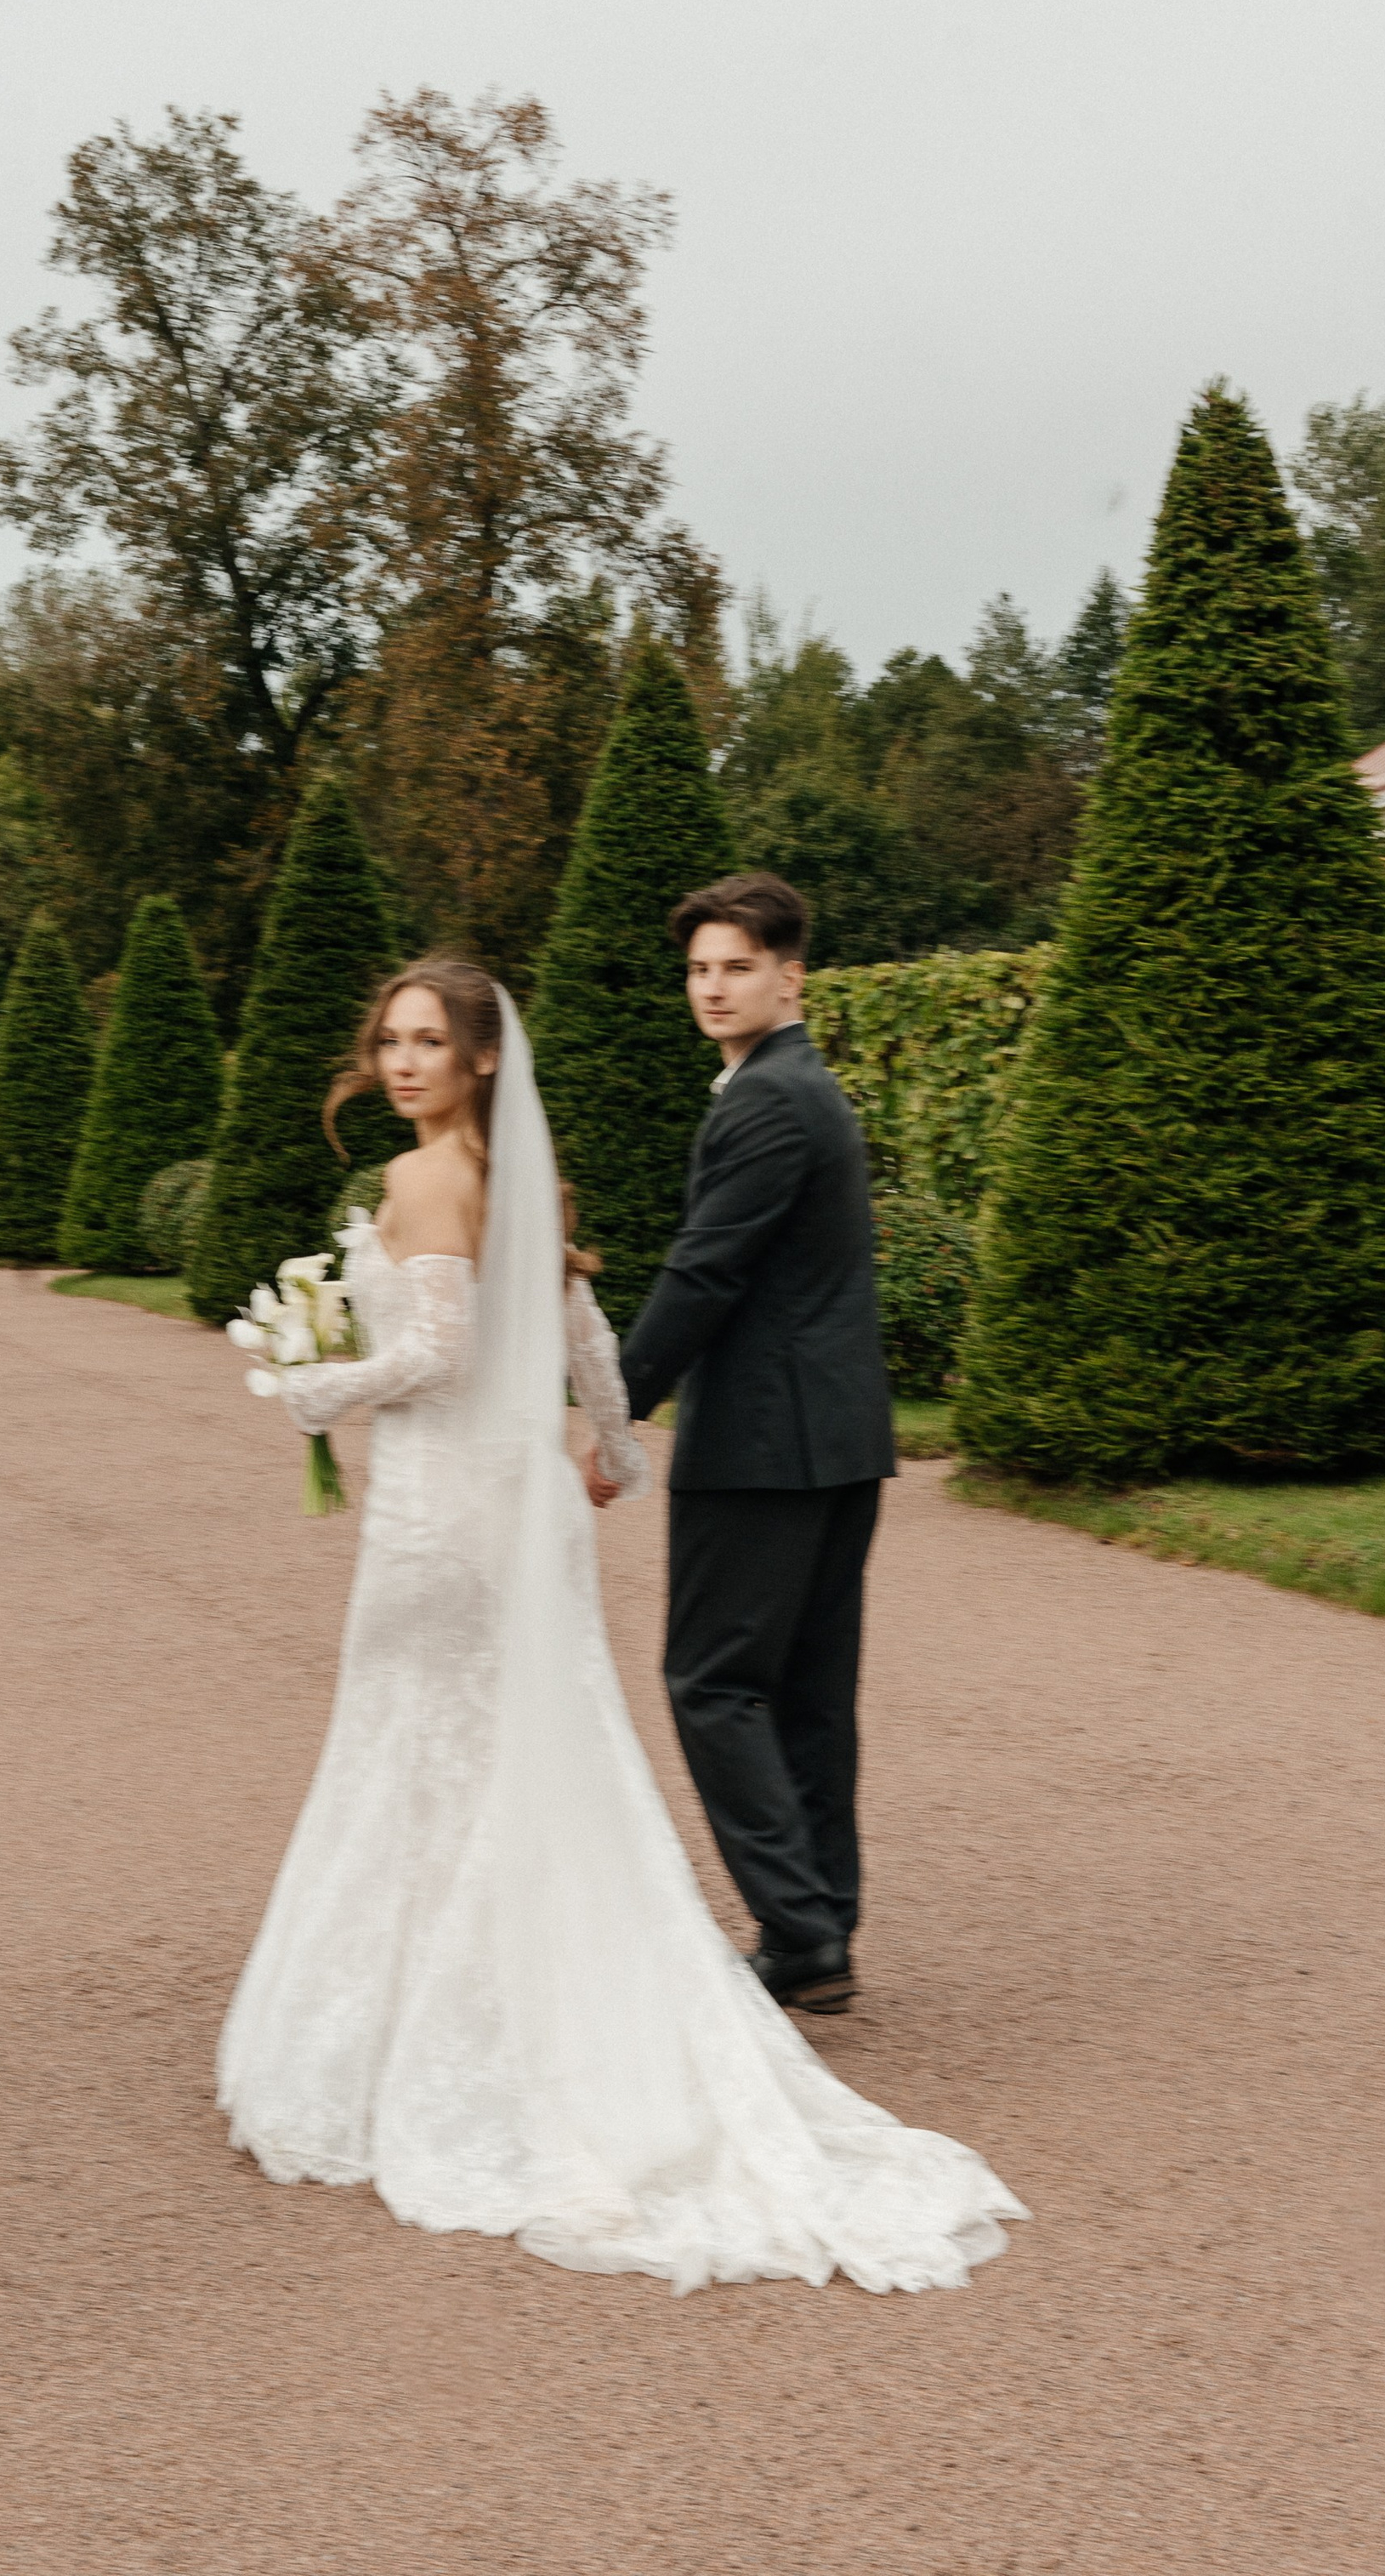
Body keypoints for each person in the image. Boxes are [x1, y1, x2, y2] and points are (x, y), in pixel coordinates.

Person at [217, 955, 1022, 2291]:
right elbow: (585, 1328)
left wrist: (320, 1388)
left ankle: (432, 2029)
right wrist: (618, 1446)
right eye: (391, 1040)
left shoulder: (424, 1178)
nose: (403, 1061)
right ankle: (545, 1997)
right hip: (520, 1510)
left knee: (411, 1745)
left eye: (429, 1042)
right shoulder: (524, 1177)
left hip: (442, 1512)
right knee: (540, 1750)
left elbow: (440, 1359)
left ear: (481, 1059)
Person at [590, 873, 891, 2019]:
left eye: (736, 968)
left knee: (711, 1682)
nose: (712, 988)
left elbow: (703, 1274)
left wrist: (615, 1413)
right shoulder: (800, 1088)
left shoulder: (767, 1100)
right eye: (699, 969)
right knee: (807, 1694)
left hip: (768, 1446)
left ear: (790, 977)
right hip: (835, 1440)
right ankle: (823, 1931)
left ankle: (801, 1929)